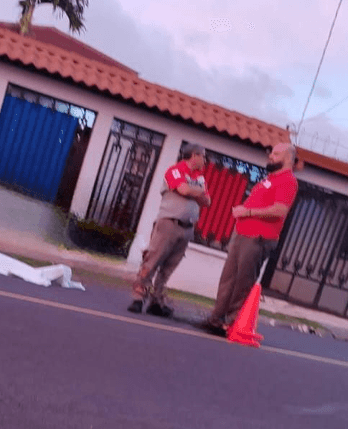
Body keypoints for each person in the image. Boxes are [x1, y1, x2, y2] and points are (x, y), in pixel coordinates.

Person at [202, 142, 299, 335]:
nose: (270, 156)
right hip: (242, 234)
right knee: (228, 279)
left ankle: (231, 323)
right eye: (271, 153)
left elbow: (280, 210)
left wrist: (248, 212)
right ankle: (216, 318)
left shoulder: (288, 181)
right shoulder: (270, 179)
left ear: (288, 158)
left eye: (276, 154)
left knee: (242, 282)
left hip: (258, 238)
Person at [127, 143, 211, 317]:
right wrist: (198, 192)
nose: (205, 160)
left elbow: (207, 201)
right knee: (152, 261)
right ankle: (138, 297)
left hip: (187, 228)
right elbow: (183, 189)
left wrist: (194, 192)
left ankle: (156, 301)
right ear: (194, 155)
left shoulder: (199, 177)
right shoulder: (175, 170)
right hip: (169, 224)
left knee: (169, 266)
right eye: (203, 156)